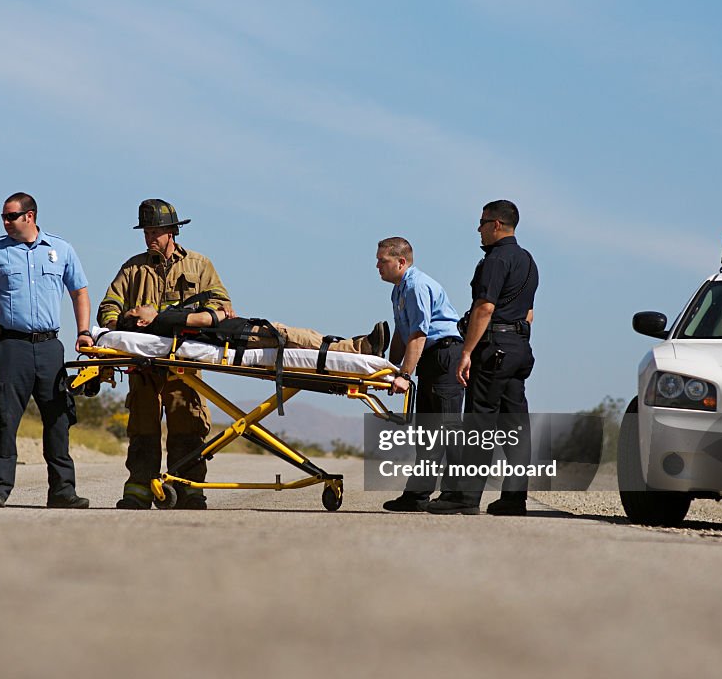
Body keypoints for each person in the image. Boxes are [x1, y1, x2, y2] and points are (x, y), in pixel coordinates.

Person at [0, 192, 93, 509]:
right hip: (11, 348)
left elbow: (79, 291)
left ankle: (62, 491)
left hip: (49, 349)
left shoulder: (61, 250)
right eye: (3, 216)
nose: (5, 222)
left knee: (58, 421)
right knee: (4, 420)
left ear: (29, 216)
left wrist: (84, 332)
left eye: (11, 216)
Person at [98, 199, 230, 510]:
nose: (149, 237)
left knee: (187, 424)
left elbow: (222, 307)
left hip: (185, 363)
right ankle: (139, 489)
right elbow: (108, 308)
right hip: (143, 365)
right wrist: (123, 323)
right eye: (146, 231)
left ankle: (189, 489)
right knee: (143, 427)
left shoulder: (199, 266)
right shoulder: (132, 268)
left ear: (172, 232)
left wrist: (179, 319)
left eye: (155, 231)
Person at [426, 199, 538, 516]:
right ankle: (514, 499)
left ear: (497, 225)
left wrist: (467, 352)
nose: (479, 228)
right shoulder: (528, 261)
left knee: (479, 424)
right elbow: (528, 313)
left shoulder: (496, 259)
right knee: (516, 428)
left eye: (482, 222)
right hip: (519, 348)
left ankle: (465, 497)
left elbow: (485, 307)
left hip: (494, 350)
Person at [375, 237, 466, 512]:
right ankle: (417, 495)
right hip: (428, 358)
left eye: (383, 261)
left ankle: (459, 497)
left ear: (401, 262)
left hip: (444, 357)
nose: (377, 266)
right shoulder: (398, 291)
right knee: (427, 433)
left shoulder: (415, 286)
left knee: (449, 429)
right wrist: (389, 371)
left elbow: (418, 333)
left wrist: (404, 374)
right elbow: (402, 335)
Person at [117, 303, 389, 356]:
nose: (140, 305)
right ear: (142, 322)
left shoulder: (164, 317)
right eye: (135, 310)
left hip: (242, 333)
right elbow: (203, 322)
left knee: (303, 338)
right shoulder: (161, 321)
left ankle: (359, 346)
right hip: (241, 337)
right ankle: (360, 348)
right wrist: (221, 313)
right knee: (300, 338)